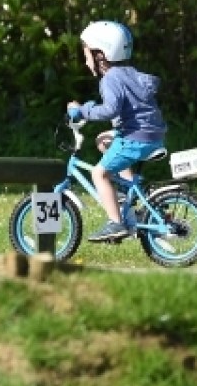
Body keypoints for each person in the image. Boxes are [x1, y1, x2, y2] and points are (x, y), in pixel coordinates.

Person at [67, 20, 168, 242]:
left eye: (86, 54)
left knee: (98, 173)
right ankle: (124, 192)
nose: (85, 61)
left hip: (135, 139)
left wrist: (81, 111)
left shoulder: (111, 78)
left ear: (100, 54)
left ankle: (115, 223)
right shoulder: (130, 73)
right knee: (103, 141)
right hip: (152, 135)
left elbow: (109, 110)